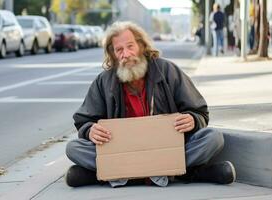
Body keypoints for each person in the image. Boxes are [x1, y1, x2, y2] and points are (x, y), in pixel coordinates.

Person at [65, 21, 236, 188]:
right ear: (113, 55)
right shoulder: (104, 81)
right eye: (119, 50)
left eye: (130, 46)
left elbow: (199, 111)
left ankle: (117, 176)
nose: (126, 54)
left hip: (166, 151)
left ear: (141, 45)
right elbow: (84, 120)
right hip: (123, 155)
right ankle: (179, 173)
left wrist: (193, 119)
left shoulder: (167, 70)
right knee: (73, 148)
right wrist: (90, 130)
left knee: (213, 138)